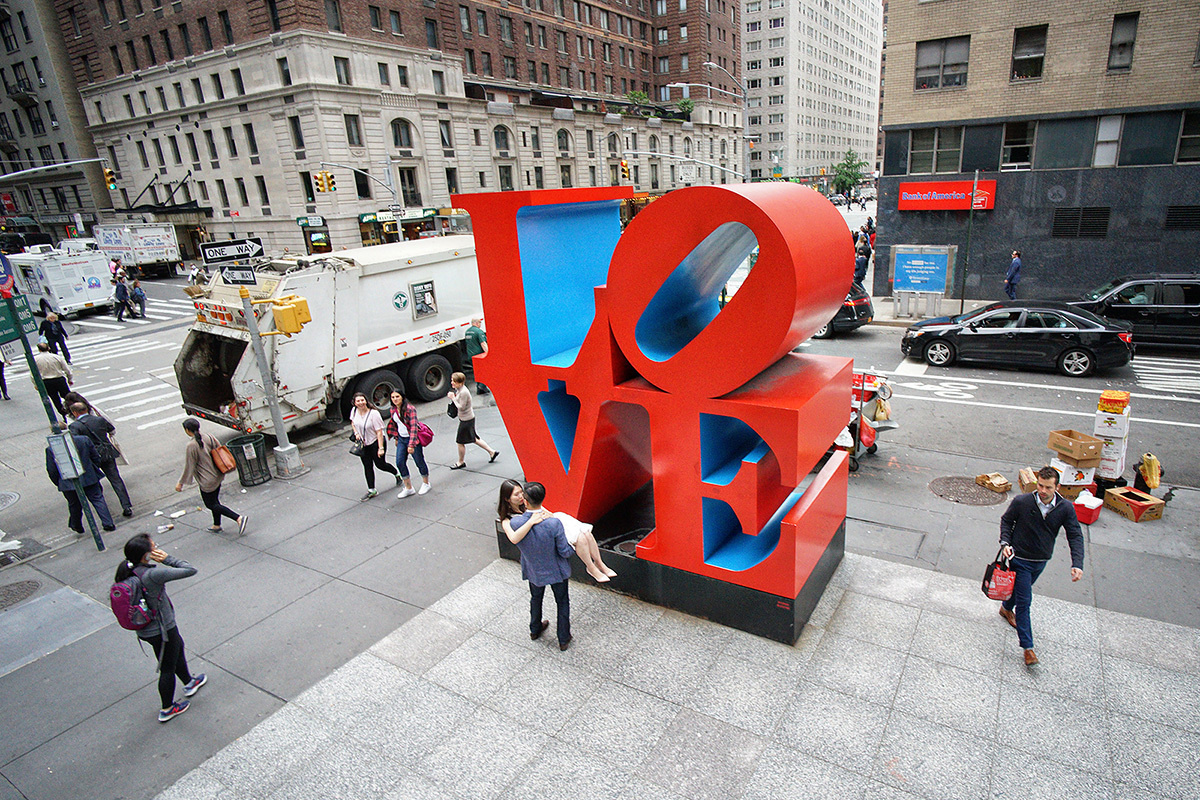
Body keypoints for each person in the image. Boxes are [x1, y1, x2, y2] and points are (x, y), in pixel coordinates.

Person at [998, 465, 1084, 667]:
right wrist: (1005, 543)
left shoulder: (1065, 508)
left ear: (1057, 487)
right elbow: (1006, 522)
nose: (1043, 491)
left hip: (1041, 560)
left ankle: (1005, 608)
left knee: (1021, 593)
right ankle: (1028, 648)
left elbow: (1075, 535)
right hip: (1020, 559)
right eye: (1040, 485)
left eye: (1048, 487)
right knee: (1025, 601)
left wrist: (1077, 564)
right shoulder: (1022, 501)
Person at [114, 533, 206, 723]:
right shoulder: (153, 574)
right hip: (162, 628)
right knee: (167, 666)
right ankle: (167, 708)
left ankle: (189, 682)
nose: (157, 548)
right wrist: (167, 559)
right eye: (154, 547)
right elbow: (190, 569)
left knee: (177, 648)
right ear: (146, 555)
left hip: (148, 630)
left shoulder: (130, 571)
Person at [498, 479, 616, 583]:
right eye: (516, 494)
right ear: (507, 498)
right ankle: (591, 567)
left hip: (554, 527)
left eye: (521, 492)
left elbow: (549, 515)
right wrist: (530, 522)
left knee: (586, 533)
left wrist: (542, 515)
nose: (521, 496)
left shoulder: (529, 503)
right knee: (581, 536)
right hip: (545, 539)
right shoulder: (508, 519)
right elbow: (513, 538)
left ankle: (599, 563)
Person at [505, 481, 574, 650]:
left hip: (533, 570)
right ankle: (563, 639)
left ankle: (534, 629)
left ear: (525, 502)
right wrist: (573, 545)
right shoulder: (553, 523)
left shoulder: (515, 523)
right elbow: (564, 551)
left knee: (536, 598)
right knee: (562, 602)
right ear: (543, 498)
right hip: (557, 571)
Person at [175, 418, 247, 534]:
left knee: (211, 504)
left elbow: (189, 466)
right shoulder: (208, 437)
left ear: (187, 430)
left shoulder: (191, 445)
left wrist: (180, 483)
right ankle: (216, 525)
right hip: (217, 474)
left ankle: (238, 518)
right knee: (215, 501)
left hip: (206, 480)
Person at [68, 401, 132, 518]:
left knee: (95, 482)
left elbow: (76, 443)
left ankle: (103, 509)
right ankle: (126, 505)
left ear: (75, 413)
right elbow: (111, 430)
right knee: (116, 479)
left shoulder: (75, 426)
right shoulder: (99, 420)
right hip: (107, 453)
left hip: (91, 456)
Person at [45, 432, 115, 533]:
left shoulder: (51, 449)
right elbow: (95, 456)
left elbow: (52, 470)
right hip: (88, 477)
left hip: (68, 482)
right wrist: (92, 470)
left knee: (75, 505)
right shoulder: (83, 439)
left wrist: (59, 482)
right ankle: (108, 523)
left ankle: (76, 525)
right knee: (97, 499)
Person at [349, 391, 398, 500]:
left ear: (366, 401)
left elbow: (379, 432)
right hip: (364, 444)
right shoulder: (354, 411)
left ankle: (396, 473)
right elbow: (353, 422)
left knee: (380, 465)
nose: (361, 403)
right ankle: (372, 489)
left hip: (376, 442)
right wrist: (356, 433)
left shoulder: (373, 414)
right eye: (358, 401)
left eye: (362, 400)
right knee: (367, 466)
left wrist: (381, 448)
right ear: (355, 403)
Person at [447, 372, 499, 470]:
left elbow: (461, 407)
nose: (452, 383)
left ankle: (460, 462)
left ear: (460, 382)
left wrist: (453, 398)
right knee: (474, 438)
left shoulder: (463, 392)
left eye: (454, 381)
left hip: (466, 420)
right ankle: (492, 452)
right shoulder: (460, 390)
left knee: (460, 442)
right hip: (467, 419)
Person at [387, 389, 430, 498]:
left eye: (397, 396)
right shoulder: (393, 409)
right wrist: (396, 437)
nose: (395, 399)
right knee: (400, 462)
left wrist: (411, 444)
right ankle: (408, 487)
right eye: (393, 397)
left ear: (402, 397)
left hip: (412, 439)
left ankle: (426, 483)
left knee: (419, 461)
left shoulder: (410, 409)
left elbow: (414, 427)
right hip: (401, 438)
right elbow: (395, 424)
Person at [33, 342, 72, 420]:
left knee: (55, 399)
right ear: (48, 348)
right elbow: (67, 369)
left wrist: (36, 384)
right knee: (68, 397)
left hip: (46, 382)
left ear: (39, 350)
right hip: (59, 379)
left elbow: (33, 374)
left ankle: (64, 415)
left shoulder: (35, 359)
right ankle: (72, 411)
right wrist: (69, 379)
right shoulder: (56, 357)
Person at [464, 316, 490, 394]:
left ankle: (479, 387)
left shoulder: (467, 331)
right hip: (479, 354)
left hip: (470, 355)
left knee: (477, 371)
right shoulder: (479, 332)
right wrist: (488, 353)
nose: (480, 324)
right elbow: (483, 344)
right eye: (479, 323)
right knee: (484, 370)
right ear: (476, 323)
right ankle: (481, 386)